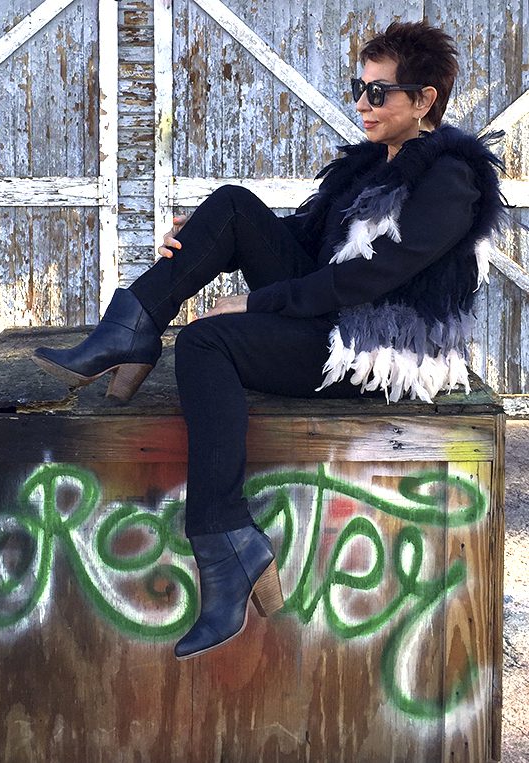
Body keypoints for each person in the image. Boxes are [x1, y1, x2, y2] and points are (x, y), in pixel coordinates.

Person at [32, 21, 505, 660]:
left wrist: (257, 301)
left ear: (424, 101)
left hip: (371, 350)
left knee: (206, 343)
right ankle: (133, 326)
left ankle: (224, 536)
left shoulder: (452, 180)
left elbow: (376, 275)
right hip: (328, 315)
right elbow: (307, 240)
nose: (361, 105)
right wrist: (198, 236)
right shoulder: (369, 164)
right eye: (358, 88)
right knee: (228, 205)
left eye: (379, 94)